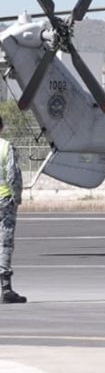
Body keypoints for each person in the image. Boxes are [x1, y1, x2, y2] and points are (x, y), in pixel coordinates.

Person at [0, 117, 25, 304]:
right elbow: (13, 175)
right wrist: (17, 198)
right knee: (5, 243)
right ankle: (5, 288)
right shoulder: (6, 147)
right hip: (4, 201)